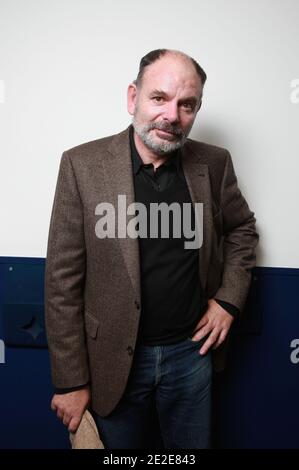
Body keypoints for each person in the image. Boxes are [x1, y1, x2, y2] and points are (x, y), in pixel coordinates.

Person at [44, 48, 259, 449]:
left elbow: (243, 229)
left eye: (187, 105)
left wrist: (229, 300)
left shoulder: (213, 164)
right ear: (133, 98)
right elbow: (61, 282)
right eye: (159, 98)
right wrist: (70, 381)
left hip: (191, 356)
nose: (172, 116)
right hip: (112, 361)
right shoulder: (82, 165)